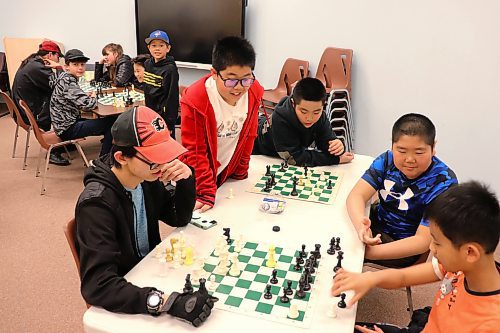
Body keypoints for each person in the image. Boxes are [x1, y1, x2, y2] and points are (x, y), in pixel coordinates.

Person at [76, 106, 216, 325]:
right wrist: (167, 302)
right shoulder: (96, 204)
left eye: (166, 156)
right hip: (127, 292)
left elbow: (178, 218)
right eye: (155, 159)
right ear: (121, 157)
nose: (164, 165)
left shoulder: (146, 178)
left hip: (152, 268)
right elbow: (98, 285)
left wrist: (186, 179)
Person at [332, 181, 500, 333]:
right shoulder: (462, 268)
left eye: (437, 243)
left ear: (470, 252)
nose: (430, 248)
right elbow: (403, 276)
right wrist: (370, 278)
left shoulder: (490, 324)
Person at [347, 113, 457, 267]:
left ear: (433, 148)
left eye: (419, 152)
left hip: (403, 246)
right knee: (335, 227)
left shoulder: (444, 182)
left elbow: (422, 241)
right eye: (402, 151)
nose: (410, 159)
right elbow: (356, 195)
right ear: (392, 146)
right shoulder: (387, 160)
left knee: (340, 254)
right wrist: (361, 224)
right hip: (375, 223)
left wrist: (368, 252)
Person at [180, 36, 264, 212]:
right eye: (231, 80)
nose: (239, 87)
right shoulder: (196, 99)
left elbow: (249, 134)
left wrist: (241, 169)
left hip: (226, 171)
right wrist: (205, 191)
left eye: (246, 79)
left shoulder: (254, 92)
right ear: (214, 73)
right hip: (197, 177)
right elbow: (195, 151)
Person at [253, 77, 354, 166]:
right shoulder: (280, 118)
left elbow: (327, 143)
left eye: (316, 112)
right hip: (254, 142)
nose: (310, 118)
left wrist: (337, 146)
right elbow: (295, 158)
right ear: (293, 104)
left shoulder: (320, 116)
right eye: (303, 111)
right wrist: (335, 160)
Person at [12, 40, 69, 165]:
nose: (58, 60)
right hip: (32, 114)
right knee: (62, 104)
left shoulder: (33, 62)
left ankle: (66, 138)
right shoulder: (37, 67)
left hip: (26, 107)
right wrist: (59, 68)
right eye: (57, 57)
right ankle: (53, 150)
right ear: (50, 55)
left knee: (59, 100)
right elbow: (60, 86)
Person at [50, 49, 116, 156]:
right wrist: (94, 96)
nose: (80, 68)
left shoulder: (64, 77)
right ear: (67, 66)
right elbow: (89, 105)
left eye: (82, 64)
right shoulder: (68, 82)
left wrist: (85, 97)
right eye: (75, 64)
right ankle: (104, 159)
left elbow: (77, 100)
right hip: (67, 128)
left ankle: (111, 144)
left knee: (109, 121)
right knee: (113, 123)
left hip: (63, 123)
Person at [142, 30, 179, 138]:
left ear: (168, 48)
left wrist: (170, 124)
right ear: (149, 48)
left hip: (164, 117)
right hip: (150, 113)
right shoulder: (147, 63)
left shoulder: (170, 69)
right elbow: (148, 88)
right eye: (153, 45)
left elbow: (172, 98)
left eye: (161, 45)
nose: (157, 49)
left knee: (168, 146)